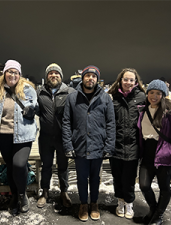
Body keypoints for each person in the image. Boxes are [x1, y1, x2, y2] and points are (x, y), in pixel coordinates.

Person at [62, 65, 116, 222]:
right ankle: (83, 204)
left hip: (98, 145)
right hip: (79, 145)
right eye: (87, 76)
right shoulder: (72, 98)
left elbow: (111, 123)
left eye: (93, 76)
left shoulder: (105, 98)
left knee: (95, 177)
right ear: (83, 78)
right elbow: (66, 122)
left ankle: (94, 203)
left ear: (97, 80)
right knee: (81, 177)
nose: (90, 78)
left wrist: (109, 145)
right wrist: (68, 145)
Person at [0, 60, 38, 215]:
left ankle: (22, 196)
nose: (12, 75)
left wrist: (32, 110)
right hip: (3, 135)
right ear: (4, 73)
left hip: (23, 134)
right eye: (9, 71)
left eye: (15, 72)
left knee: (19, 164)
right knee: (10, 166)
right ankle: (14, 195)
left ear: (19, 75)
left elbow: (36, 107)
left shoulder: (28, 89)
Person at [137, 79, 171, 225]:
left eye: (158, 93)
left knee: (164, 187)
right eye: (151, 92)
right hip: (147, 153)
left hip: (165, 155)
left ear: (163, 95)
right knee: (144, 185)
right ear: (147, 93)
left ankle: (158, 215)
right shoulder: (143, 110)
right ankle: (153, 209)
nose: (154, 96)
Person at [107, 68, 146, 219]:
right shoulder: (113, 97)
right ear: (120, 80)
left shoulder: (142, 97)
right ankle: (120, 201)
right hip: (116, 145)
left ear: (136, 82)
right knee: (117, 176)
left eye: (131, 80)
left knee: (129, 178)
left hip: (133, 146)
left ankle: (129, 202)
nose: (128, 82)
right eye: (125, 79)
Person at [36, 63, 75, 208]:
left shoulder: (70, 92)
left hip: (63, 137)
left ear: (61, 76)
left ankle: (64, 192)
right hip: (45, 137)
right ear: (47, 76)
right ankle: (45, 192)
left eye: (56, 73)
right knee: (46, 165)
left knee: (63, 166)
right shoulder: (40, 92)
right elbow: (37, 110)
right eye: (50, 73)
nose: (53, 75)